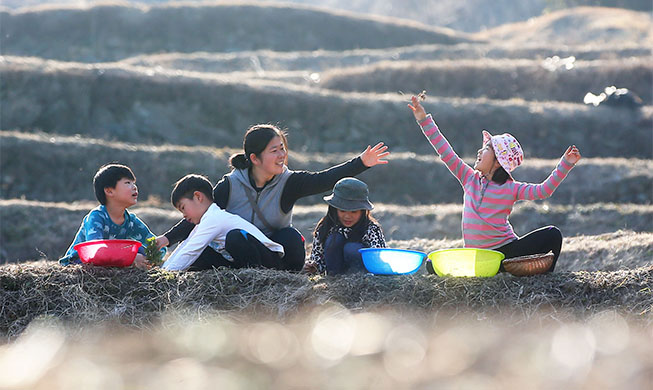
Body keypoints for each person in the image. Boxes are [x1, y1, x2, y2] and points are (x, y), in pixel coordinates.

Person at [157, 124, 389, 271]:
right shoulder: (230, 185)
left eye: (282, 148)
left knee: (291, 236)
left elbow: (324, 179)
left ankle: (283, 276)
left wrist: (361, 163)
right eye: (274, 150)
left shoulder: (289, 182)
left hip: (274, 252)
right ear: (255, 158)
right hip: (242, 251)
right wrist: (167, 239)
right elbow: (201, 217)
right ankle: (253, 277)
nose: (282, 155)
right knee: (233, 239)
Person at [408, 95, 581, 273]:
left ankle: (542, 276)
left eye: (486, 148)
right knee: (431, 264)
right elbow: (445, 151)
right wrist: (424, 120)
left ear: (498, 161)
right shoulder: (469, 178)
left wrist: (565, 164)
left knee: (552, 234)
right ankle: (511, 271)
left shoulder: (512, 188)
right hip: (479, 259)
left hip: (506, 254)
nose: (479, 151)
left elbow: (544, 191)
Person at [160, 174, 284, 271]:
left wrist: (167, 275)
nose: (184, 215)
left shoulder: (214, 218)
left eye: (183, 207)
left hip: (269, 260)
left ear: (198, 197)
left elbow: (191, 250)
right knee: (202, 254)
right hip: (239, 260)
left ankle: (253, 275)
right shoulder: (203, 222)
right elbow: (186, 245)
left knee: (235, 237)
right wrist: (164, 270)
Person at [59, 163, 165, 269]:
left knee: (141, 249)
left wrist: (152, 257)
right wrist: (130, 258)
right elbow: (95, 251)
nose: (134, 187)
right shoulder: (96, 217)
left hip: (111, 263)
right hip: (79, 262)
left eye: (134, 183)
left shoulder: (131, 221)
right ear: (109, 191)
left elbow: (156, 246)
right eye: (128, 182)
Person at [304, 177, 386, 275]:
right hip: (336, 275)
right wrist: (314, 268)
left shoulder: (371, 229)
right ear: (334, 209)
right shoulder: (325, 228)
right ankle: (334, 277)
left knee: (351, 248)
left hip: (363, 276)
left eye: (354, 212)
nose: (347, 216)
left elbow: (379, 258)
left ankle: (356, 277)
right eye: (342, 210)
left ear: (363, 211)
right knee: (334, 239)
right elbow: (317, 259)